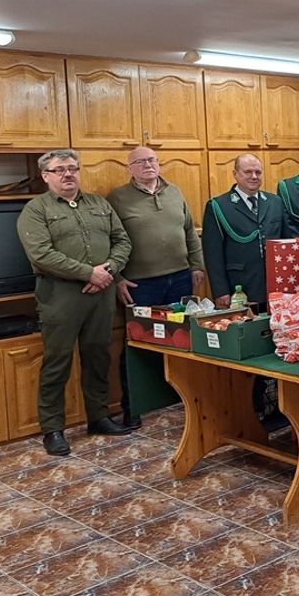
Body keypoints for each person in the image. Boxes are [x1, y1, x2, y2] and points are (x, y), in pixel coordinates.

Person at [16, 149, 133, 456]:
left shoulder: (98, 203)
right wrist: (88, 274)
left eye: (72, 168)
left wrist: (107, 271)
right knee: (58, 362)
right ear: (46, 176)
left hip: (102, 292)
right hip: (61, 295)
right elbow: (41, 254)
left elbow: (122, 241)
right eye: (59, 170)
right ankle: (52, 428)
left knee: (98, 356)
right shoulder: (35, 210)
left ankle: (98, 417)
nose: (68, 174)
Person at [107, 146, 205, 428]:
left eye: (152, 160)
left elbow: (189, 230)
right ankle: (132, 408)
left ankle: (182, 402)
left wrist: (197, 265)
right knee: (137, 345)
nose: (147, 165)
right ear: (130, 168)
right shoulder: (118, 198)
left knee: (183, 341)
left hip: (180, 280)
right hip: (141, 285)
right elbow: (109, 240)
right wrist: (117, 278)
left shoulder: (174, 191)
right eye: (140, 162)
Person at [201, 153, 284, 309]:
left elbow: (285, 242)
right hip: (239, 288)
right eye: (248, 172)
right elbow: (213, 253)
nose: (254, 176)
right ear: (235, 174)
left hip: (275, 286)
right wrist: (220, 291)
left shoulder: (275, 202)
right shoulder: (218, 205)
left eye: (258, 172)